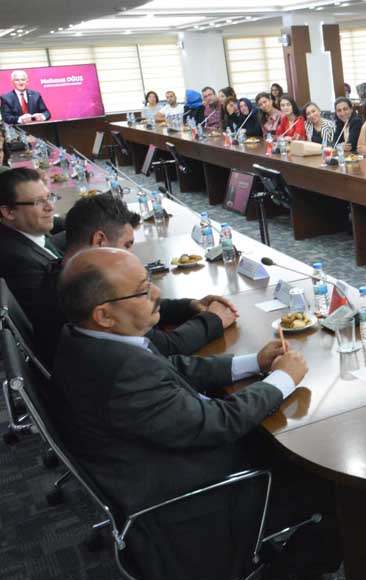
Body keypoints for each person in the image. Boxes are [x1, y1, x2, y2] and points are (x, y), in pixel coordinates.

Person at [51, 247, 339, 580]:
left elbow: (171, 367)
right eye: (143, 290)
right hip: (195, 502)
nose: (156, 293)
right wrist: (283, 378)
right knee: (337, 490)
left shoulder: (86, 338)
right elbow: (217, 423)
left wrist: (254, 363)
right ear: (104, 315)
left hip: (157, 465)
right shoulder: (120, 373)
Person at [30, 195, 237, 366]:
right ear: (100, 240)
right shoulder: (80, 291)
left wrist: (190, 305)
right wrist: (214, 319)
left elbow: (137, 302)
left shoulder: (64, 272)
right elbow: (165, 346)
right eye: (127, 245)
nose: (131, 255)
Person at [0, 168, 62, 322]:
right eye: (38, 202)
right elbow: (51, 319)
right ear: (9, 212)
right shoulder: (16, 260)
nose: (50, 207)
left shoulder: (30, 230)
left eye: (49, 197)